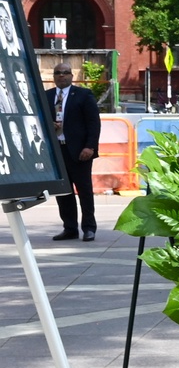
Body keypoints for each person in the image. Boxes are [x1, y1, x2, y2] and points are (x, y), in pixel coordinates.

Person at [47, 63, 101, 242]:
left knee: (84, 190)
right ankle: (69, 228)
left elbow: (93, 123)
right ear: (54, 76)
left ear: (72, 75)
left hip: (80, 151)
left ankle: (89, 228)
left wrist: (90, 146)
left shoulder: (83, 95)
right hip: (57, 150)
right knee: (63, 193)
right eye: (57, 73)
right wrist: (50, 125)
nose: (61, 76)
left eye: (65, 73)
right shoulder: (46, 96)